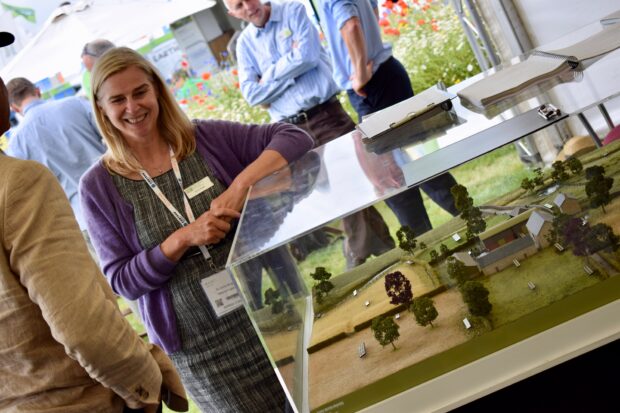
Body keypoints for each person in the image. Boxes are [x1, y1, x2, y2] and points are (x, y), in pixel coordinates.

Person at [79, 47, 314, 411]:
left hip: (274, 311)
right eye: (118, 99)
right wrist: (183, 239)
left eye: (140, 92)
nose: (132, 107)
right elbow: (123, 281)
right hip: (203, 352)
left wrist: (240, 186)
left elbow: (294, 137)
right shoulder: (99, 186)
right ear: (102, 109)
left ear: (156, 90)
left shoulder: (204, 138)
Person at [0, 31, 186, 413]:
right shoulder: (18, 181)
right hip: (71, 399)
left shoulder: (21, 149)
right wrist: (146, 383)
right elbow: (83, 326)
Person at [227, 0, 395, 267]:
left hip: (325, 115)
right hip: (290, 131)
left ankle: (358, 255)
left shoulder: (292, 10)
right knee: (333, 191)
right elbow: (251, 93)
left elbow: (307, 55)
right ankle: (383, 250)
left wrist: (268, 77)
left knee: (351, 182)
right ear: (232, 13)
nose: (247, 7)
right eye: (238, 5)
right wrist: (290, 68)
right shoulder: (245, 43)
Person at [317, 0, 460, 235]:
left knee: (398, 176)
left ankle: (434, 240)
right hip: (384, 76)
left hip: (373, 84)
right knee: (412, 166)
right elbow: (372, 10)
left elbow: (351, 25)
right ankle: (456, 226)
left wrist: (360, 72)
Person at [6, 77, 106, 233]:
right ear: (37, 91)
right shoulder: (75, 104)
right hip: (119, 193)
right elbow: (113, 135)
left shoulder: (16, 144)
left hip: (81, 218)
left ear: (14, 108)